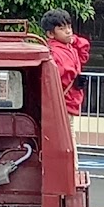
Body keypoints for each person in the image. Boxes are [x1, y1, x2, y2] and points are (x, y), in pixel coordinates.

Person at [41, 9, 91, 168]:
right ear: (51, 34)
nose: (68, 31)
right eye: (62, 28)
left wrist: (72, 39)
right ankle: (71, 171)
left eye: (69, 26)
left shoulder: (67, 48)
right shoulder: (54, 52)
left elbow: (84, 49)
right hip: (64, 104)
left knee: (66, 138)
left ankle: (69, 170)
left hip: (67, 102)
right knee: (68, 139)